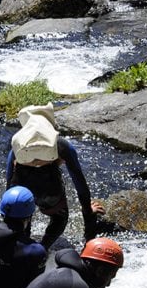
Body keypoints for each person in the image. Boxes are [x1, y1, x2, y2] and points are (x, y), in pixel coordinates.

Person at [6, 103, 107, 249]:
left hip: (21, 187)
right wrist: (87, 211)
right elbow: (79, 182)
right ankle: (44, 247)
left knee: (22, 215)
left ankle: (23, 246)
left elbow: (9, 182)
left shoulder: (17, 146)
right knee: (60, 217)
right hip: (50, 189)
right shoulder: (61, 145)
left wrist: (10, 212)